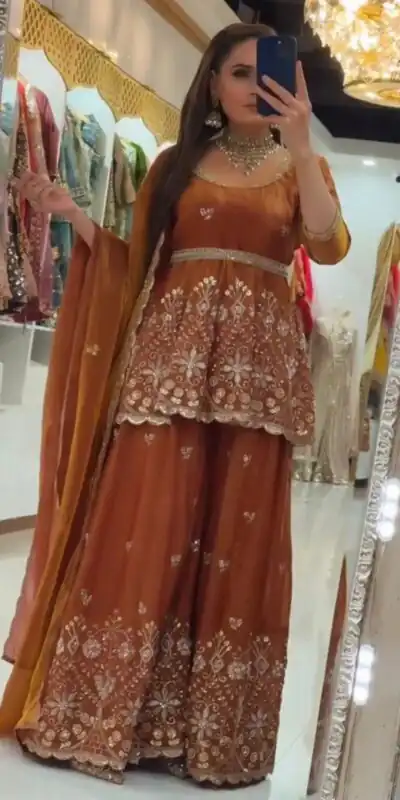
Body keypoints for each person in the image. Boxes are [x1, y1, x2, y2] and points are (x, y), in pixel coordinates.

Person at [0, 22, 350, 789]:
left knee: (238, 537)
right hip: (169, 367)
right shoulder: (174, 164)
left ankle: (209, 733)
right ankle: (106, 715)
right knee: (144, 521)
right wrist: (76, 218)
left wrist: (300, 145)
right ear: (212, 85)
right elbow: (138, 267)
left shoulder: (301, 167)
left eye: (267, 73)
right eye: (239, 73)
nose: (255, 86)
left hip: (256, 380)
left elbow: (328, 245)